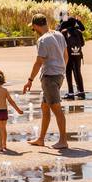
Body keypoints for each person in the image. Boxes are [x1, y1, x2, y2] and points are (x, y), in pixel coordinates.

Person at [23, 14, 69, 148]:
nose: (34, 31)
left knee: (56, 108)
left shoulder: (43, 40)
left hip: (49, 77)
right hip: (59, 75)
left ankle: (63, 140)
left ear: (36, 26)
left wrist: (30, 80)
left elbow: (39, 62)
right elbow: (66, 55)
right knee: (45, 107)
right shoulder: (59, 35)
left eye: (33, 28)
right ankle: (41, 139)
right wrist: (62, 71)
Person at [0, 70, 23, 154]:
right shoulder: (5, 90)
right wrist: (18, 110)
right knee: (3, 129)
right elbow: (11, 101)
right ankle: (4, 145)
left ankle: (0, 148)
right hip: (4, 112)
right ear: (3, 80)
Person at [60, 16, 86, 100]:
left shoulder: (64, 32)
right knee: (78, 72)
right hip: (78, 54)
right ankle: (81, 92)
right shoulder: (78, 31)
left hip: (68, 54)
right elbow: (82, 44)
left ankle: (70, 92)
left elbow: (62, 44)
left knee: (68, 72)